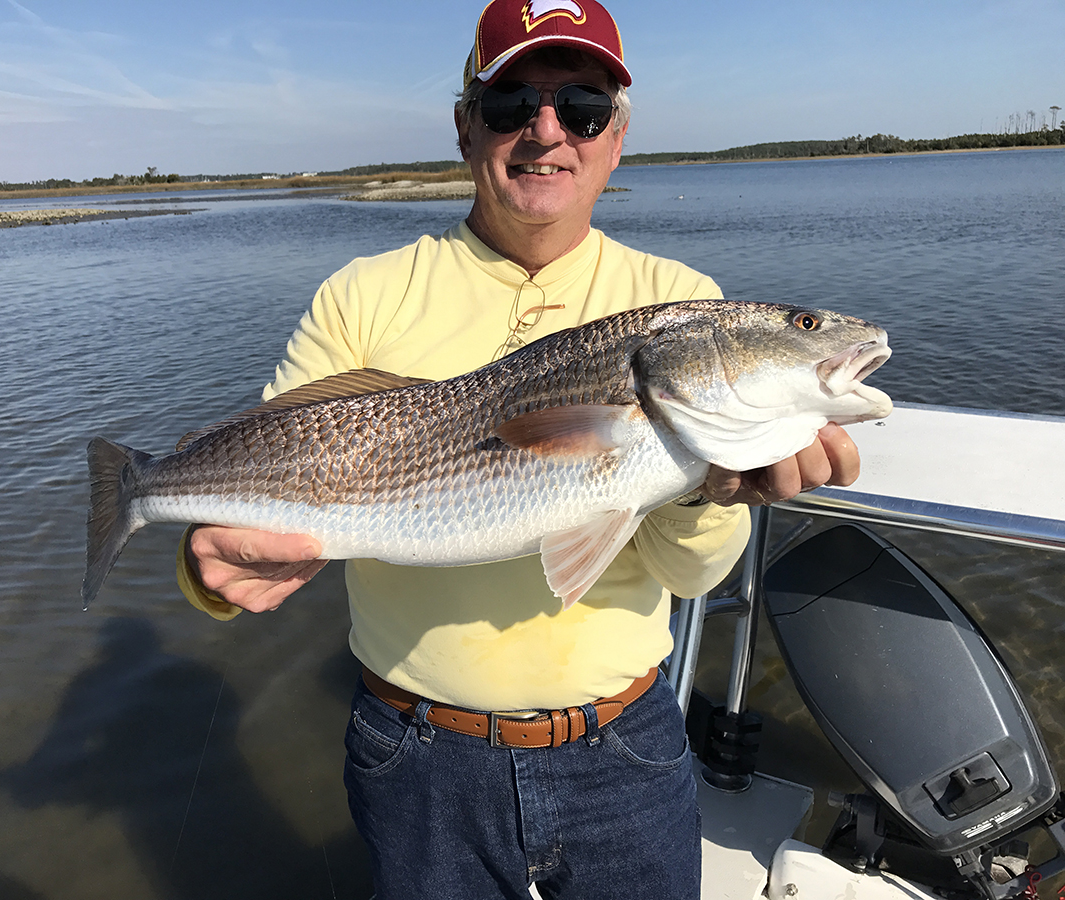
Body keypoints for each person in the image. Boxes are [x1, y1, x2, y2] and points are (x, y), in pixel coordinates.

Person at [176, 1, 861, 896]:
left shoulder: (680, 299)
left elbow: (691, 578)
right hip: (412, 751)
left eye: (581, 108)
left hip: (626, 747)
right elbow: (254, 489)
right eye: (510, 106)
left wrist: (718, 493)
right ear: (466, 128)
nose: (546, 134)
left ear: (616, 137)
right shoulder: (361, 296)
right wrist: (209, 572)